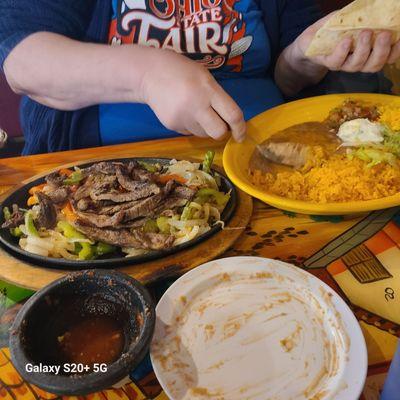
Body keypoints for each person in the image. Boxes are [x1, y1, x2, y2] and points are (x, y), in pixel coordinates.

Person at [0, 0, 399, 155]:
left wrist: (303, 54)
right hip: (99, 175)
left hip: (267, 167)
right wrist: (146, 75)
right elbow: (24, 63)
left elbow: (288, 82)